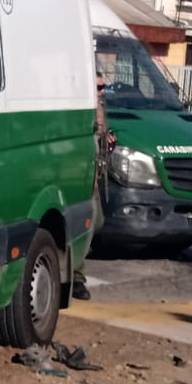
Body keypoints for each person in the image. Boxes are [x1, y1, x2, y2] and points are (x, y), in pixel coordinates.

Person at [71, 70, 110, 300]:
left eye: (102, 87)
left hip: (94, 179)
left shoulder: (100, 109)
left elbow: (102, 136)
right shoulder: (82, 110)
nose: (101, 91)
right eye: (97, 87)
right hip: (80, 180)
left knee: (97, 224)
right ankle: (77, 279)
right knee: (85, 228)